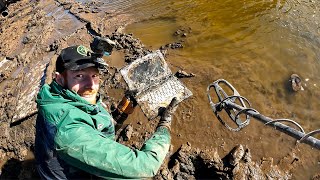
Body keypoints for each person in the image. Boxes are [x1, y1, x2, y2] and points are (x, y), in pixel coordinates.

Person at [34, 45, 179, 179]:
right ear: (60, 79)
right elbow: (146, 166)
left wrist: (122, 110)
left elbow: (89, 121)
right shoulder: (70, 133)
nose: (91, 85)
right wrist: (164, 126)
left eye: (94, 75)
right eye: (79, 76)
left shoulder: (55, 97)